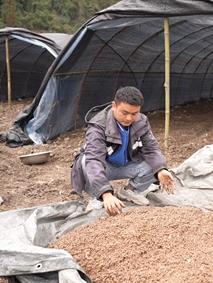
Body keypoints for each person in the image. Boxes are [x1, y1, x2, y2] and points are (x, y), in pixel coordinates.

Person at [71, 86, 175, 216]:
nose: (129, 118)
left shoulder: (141, 121)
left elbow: (151, 148)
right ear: (114, 105)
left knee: (155, 164)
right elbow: (94, 160)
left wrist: (161, 170)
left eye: (134, 113)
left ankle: (130, 191)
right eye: (124, 113)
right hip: (105, 166)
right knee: (85, 161)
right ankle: (96, 197)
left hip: (128, 164)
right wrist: (106, 194)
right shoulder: (98, 126)